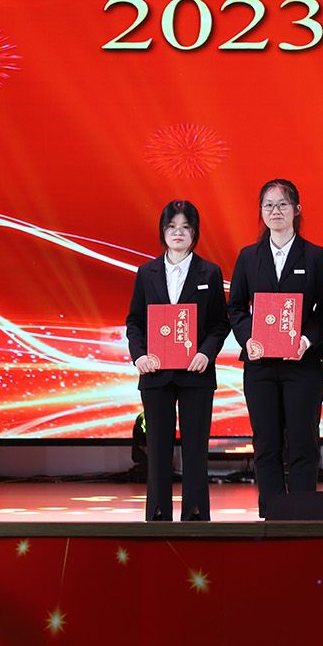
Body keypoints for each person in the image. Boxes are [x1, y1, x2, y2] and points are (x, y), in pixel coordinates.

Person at [227, 179, 323, 517]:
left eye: (282, 204)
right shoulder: (249, 257)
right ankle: (272, 511)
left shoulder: (315, 256)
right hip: (261, 365)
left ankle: (302, 512)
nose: (275, 211)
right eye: (269, 205)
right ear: (261, 212)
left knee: (304, 440)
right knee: (266, 442)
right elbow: (236, 307)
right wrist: (248, 339)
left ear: (296, 210)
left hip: (303, 364)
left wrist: (306, 340)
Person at [125, 200, 230, 521]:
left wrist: (205, 353)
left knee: (196, 448)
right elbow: (135, 322)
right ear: (163, 232)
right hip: (156, 373)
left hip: (195, 373)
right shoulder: (147, 273)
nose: (178, 233)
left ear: (194, 232)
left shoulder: (209, 272)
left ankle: (196, 514)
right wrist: (139, 356)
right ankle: (158, 514)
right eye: (171, 227)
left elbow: (220, 323)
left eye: (185, 227)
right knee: (157, 448)